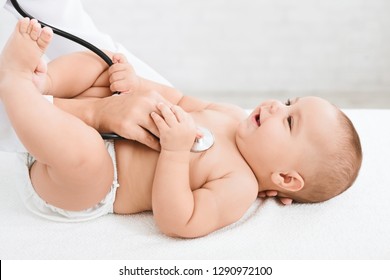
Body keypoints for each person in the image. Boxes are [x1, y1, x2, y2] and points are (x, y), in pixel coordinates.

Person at [0, 19, 362, 238]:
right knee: (103, 63)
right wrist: (136, 83)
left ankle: (15, 83)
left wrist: (174, 153)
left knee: (86, 157)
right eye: (288, 103)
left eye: (288, 121)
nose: (273, 106)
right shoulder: (230, 114)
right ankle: (42, 85)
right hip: (99, 124)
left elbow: (179, 221)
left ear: (285, 178)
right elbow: (179, 98)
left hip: (93, 183)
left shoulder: (238, 185)